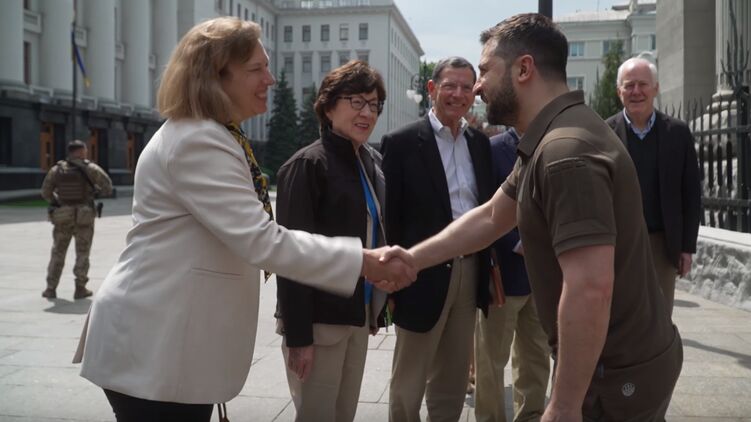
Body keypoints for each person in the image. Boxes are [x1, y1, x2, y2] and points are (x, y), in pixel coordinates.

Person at [73, 17, 415, 422]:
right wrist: (363, 261)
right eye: (257, 68)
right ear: (216, 75)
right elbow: (262, 240)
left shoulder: (213, 134)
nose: (270, 79)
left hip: (170, 341)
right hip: (155, 343)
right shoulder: (199, 140)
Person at [383, 14, 683, 421]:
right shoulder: (552, 135)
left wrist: (563, 405)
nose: (477, 87)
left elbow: (590, 288)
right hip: (613, 365)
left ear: (524, 69)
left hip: (615, 376)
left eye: (485, 70)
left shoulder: (565, 151)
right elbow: (492, 216)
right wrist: (411, 258)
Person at [381, 56, 495, 422]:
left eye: (466, 87)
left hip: (470, 271)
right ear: (432, 89)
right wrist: (391, 281)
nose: (458, 94)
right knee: (409, 381)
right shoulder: (401, 143)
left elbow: (489, 209)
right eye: (450, 86)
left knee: (453, 377)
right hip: (420, 272)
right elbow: (390, 218)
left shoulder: (480, 144)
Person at [275, 60, 389, 422]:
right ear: (328, 107)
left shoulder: (367, 164)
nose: (367, 113)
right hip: (319, 324)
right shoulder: (308, 165)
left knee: (343, 415)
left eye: (374, 105)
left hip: (357, 315)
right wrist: (299, 337)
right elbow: (289, 257)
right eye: (356, 102)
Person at [606, 57, 701, 316]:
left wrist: (687, 247)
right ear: (619, 91)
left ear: (656, 88)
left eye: (643, 84)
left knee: (659, 317)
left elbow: (691, 194)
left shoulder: (678, 133)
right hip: (619, 244)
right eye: (629, 85)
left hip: (662, 244)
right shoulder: (604, 133)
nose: (636, 91)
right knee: (621, 316)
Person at [474, 127, 550, 422]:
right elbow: (483, 207)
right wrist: (516, 243)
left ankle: (530, 415)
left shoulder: (553, 143)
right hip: (503, 276)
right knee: (491, 359)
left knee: (536, 356)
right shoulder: (493, 149)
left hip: (542, 278)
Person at [41, 140, 112, 300]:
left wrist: (58, 202)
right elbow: (107, 187)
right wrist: (94, 192)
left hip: (63, 216)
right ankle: (80, 288)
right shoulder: (91, 168)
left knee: (58, 252)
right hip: (84, 217)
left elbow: (45, 192)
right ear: (81, 151)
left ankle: (51, 288)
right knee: (83, 253)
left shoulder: (56, 170)